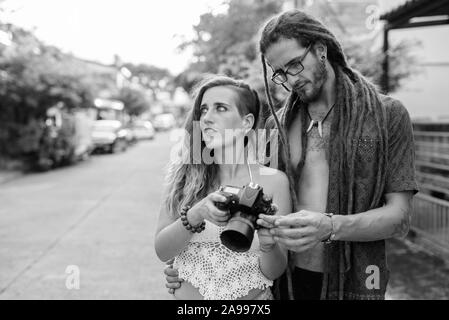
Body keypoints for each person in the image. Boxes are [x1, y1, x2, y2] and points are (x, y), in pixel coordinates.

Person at [165, 9, 418, 300]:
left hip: (356, 277)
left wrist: (331, 226)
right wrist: (186, 265)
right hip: (285, 281)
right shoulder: (278, 125)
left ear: (321, 50)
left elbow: (399, 217)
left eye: (295, 65)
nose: (290, 79)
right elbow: (254, 209)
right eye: (281, 73)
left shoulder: (385, 116)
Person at [155, 75, 291, 300]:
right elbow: (162, 251)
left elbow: (274, 271)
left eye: (220, 108)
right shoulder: (183, 177)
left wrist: (268, 245)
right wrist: (195, 214)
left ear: (246, 123)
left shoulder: (275, 182)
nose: (207, 117)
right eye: (204, 110)